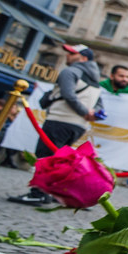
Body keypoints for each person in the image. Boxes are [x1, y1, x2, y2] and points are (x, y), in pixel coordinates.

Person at [10, 44, 102, 205]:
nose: (67, 55)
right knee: (58, 160)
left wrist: (83, 111)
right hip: (79, 126)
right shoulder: (96, 80)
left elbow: (68, 95)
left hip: (60, 119)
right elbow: (99, 103)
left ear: (83, 58)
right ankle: (50, 192)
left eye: (72, 53)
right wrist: (89, 114)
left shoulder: (70, 71)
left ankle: (38, 193)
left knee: (45, 156)